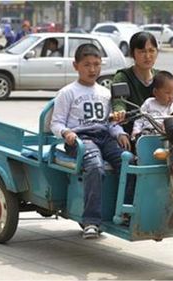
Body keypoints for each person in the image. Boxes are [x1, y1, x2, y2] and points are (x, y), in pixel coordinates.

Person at [50, 44, 131, 239]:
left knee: (129, 161)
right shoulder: (68, 92)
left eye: (96, 64)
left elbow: (109, 122)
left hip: (104, 136)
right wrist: (66, 133)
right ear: (75, 65)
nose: (92, 69)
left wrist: (119, 132)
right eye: (87, 65)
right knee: (95, 167)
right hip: (80, 139)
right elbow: (56, 123)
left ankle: (126, 211)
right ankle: (91, 221)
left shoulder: (105, 93)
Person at [112, 31, 173, 135]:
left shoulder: (162, 77)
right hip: (134, 134)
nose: (148, 56)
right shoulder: (123, 77)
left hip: (165, 132)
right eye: (142, 51)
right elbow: (118, 102)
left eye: (151, 51)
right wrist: (120, 111)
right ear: (132, 53)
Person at [131, 71, 173, 139]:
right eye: (167, 93)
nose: (171, 96)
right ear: (155, 92)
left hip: (170, 138)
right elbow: (139, 119)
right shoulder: (149, 103)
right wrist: (136, 131)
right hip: (148, 136)